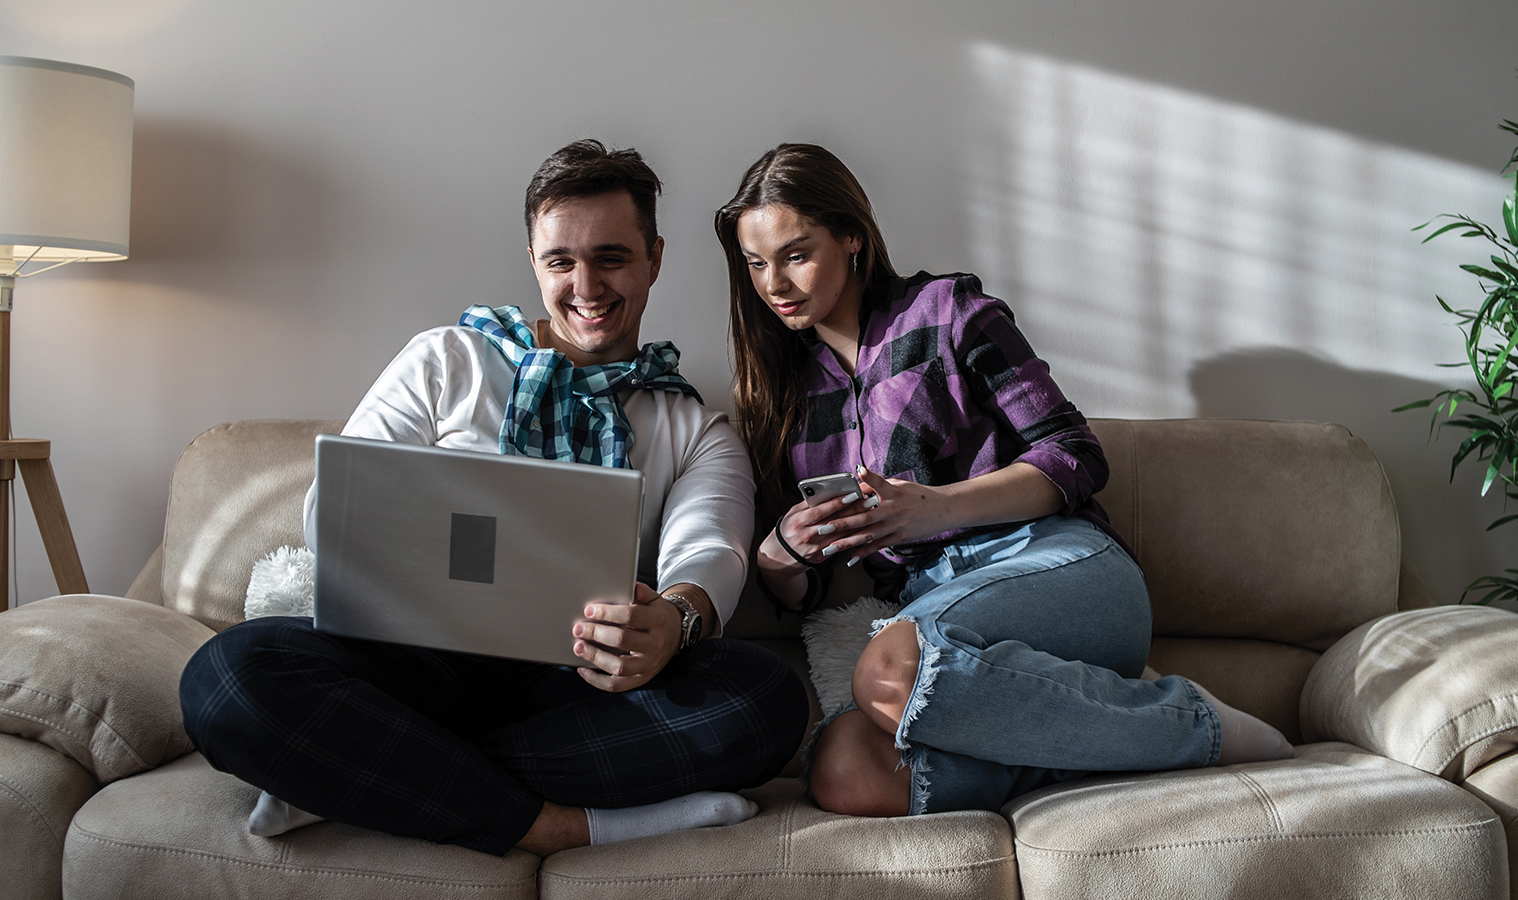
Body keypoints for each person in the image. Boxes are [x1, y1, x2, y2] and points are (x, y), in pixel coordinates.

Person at [179, 139, 809, 856]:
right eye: (560, 261)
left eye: (611, 257)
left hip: (578, 684)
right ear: (534, 261)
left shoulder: (693, 428)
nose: (586, 285)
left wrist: (674, 619)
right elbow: (337, 515)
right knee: (225, 677)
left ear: (654, 257)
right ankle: (553, 826)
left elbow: (709, 549)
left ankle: (362, 773)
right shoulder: (447, 360)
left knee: (765, 702)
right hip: (407, 663)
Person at [714, 143, 1292, 818]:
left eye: (795, 254)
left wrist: (936, 510)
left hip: (1057, 567)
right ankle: (1102, 745)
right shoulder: (783, 394)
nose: (774, 283)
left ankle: (1197, 723)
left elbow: (1075, 454)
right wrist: (780, 553)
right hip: (941, 615)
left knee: (890, 669)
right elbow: (807, 587)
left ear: (851, 238)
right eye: (756, 263)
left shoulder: (947, 312)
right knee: (845, 769)